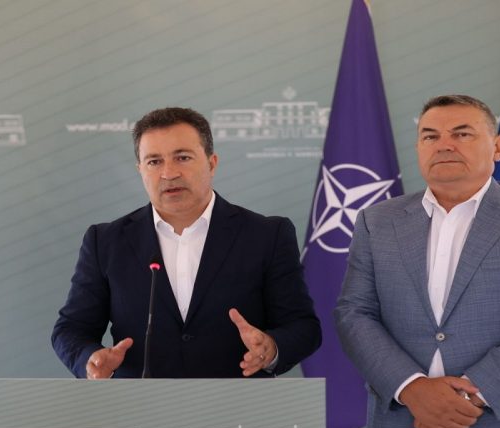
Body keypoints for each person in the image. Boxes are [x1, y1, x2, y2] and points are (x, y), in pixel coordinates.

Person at [334, 94, 500, 428]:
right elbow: (355, 313)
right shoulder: (377, 221)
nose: (444, 145)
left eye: (462, 134)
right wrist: (412, 388)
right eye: (430, 136)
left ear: (498, 147)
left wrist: (469, 397)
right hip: (406, 425)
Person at [52, 107, 321, 379]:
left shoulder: (266, 235)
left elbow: (302, 327)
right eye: (154, 161)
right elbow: (71, 329)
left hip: (239, 403)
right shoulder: (106, 242)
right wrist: (90, 360)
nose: (169, 173)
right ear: (140, 170)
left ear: (212, 163)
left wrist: (271, 348)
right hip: (140, 402)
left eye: (182, 157)